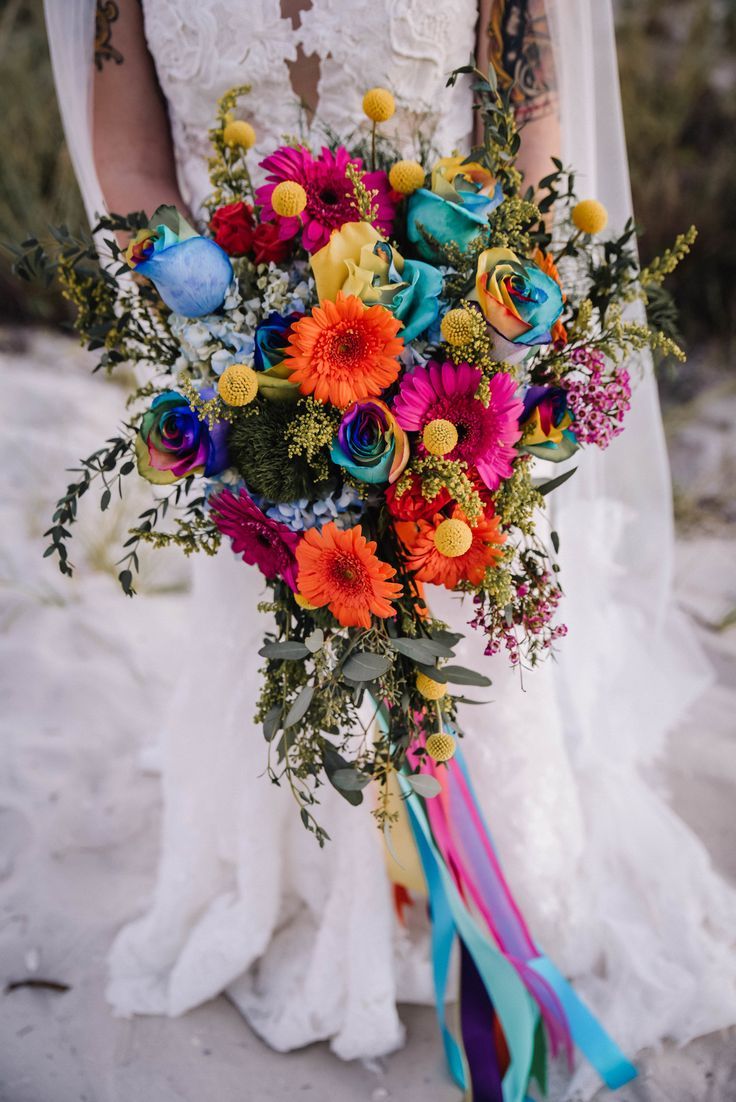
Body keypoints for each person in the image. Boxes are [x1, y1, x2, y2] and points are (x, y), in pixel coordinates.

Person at [44, 1, 736, 1097]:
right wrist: (219, 312)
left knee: (468, 646)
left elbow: (528, 131)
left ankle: (482, 889)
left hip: (451, 370)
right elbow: (128, 152)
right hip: (248, 368)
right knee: (289, 634)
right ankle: (310, 885)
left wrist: (473, 349)